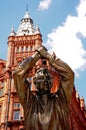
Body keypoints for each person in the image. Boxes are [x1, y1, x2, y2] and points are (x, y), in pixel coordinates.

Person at [13, 45, 74, 130]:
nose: (45, 81)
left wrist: (47, 56)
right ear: (35, 83)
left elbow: (69, 74)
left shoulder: (60, 101)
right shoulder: (30, 103)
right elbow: (17, 75)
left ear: (51, 82)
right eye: (41, 78)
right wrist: (36, 56)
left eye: (48, 78)